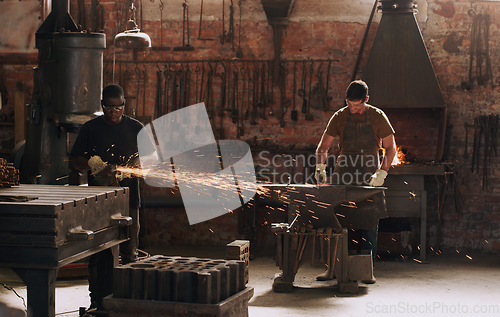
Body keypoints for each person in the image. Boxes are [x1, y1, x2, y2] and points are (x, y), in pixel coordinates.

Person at [69, 84, 144, 312]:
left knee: (129, 251)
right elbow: (75, 160)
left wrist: (136, 166)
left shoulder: (136, 128)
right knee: (99, 255)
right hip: (98, 203)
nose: (114, 111)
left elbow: (149, 159)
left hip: (129, 199)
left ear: (124, 105)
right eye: (109, 107)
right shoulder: (91, 129)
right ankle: (97, 301)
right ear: (102, 105)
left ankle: (130, 302)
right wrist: (95, 166)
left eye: (118, 107)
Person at [315, 80, 397, 283]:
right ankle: (331, 269)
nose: (353, 109)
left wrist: (382, 172)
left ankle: (366, 271)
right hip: (343, 173)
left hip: (369, 174)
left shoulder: (378, 117)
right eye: (350, 104)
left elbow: (391, 149)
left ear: (366, 100)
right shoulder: (340, 116)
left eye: (357, 105)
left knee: (369, 221)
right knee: (335, 221)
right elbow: (322, 148)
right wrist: (320, 167)